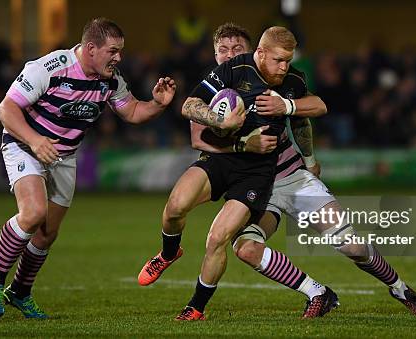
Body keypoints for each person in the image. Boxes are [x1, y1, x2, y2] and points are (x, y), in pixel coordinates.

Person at [0, 17, 176, 319]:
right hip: (25, 145)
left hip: (63, 156)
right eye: (113, 51)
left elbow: (132, 111)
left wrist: (158, 104)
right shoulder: (48, 68)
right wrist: (35, 139)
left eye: (120, 51)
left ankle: (19, 291)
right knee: (33, 213)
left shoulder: (110, 80)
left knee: (46, 234)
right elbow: (6, 109)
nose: (119, 58)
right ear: (91, 48)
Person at [139, 26, 334, 321]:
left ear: (254, 51)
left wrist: (307, 158)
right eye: (223, 51)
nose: (230, 56)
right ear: (217, 54)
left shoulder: (284, 78)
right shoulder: (220, 80)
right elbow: (193, 125)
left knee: (218, 238)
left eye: (235, 50)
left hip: (256, 172)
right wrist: (230, 129)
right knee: (175, 206)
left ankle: (195, 308)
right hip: (219, 159)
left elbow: (304, 117)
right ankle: (168, 252)